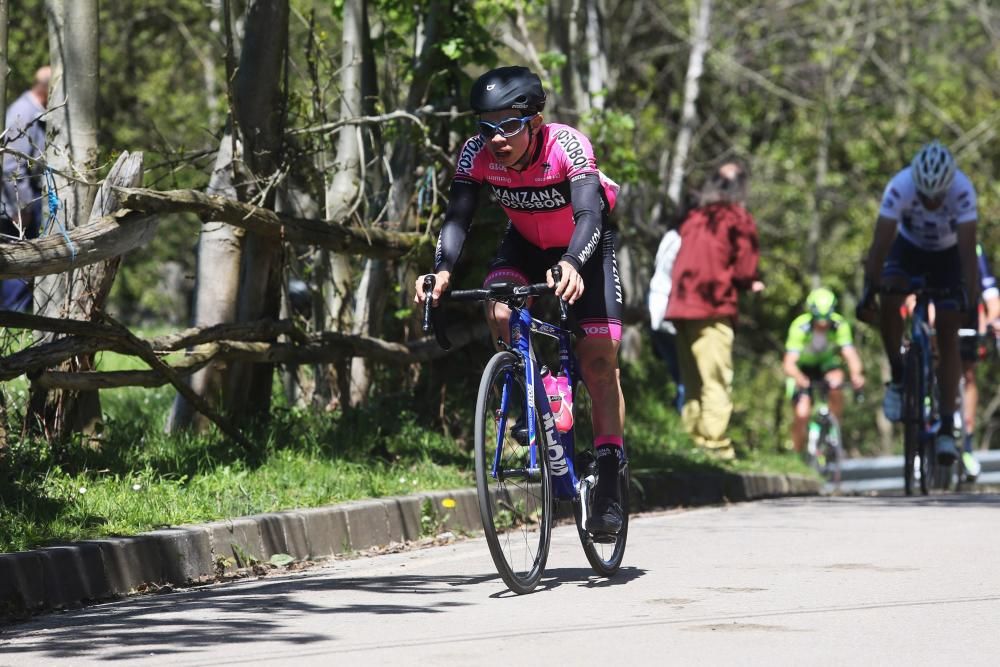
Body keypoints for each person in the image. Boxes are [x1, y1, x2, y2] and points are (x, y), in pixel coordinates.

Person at [413, 66, 625, 536]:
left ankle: (609, 475)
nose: (496, 139)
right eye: (487, 128)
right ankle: (537, 391)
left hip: (586, 244)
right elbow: (458, 217)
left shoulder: (566, 145)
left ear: (534, 121)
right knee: (500, 306)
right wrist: (442, 271)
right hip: (525, 242)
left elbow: (589, 212)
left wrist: (571, 261)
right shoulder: (477, 154)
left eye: (509, 125)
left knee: (597, 361)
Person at [861, 140, 979, 465]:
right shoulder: (899, 187)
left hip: (948, 256)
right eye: (925, 196)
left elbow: (969, 255)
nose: (931, 202)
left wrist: (971, 299)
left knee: (947, 330)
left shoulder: (963, 191)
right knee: (889, 296)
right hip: (908, 250)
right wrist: (869, 288)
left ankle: (945, 427)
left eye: (937, 196)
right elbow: (881, 243)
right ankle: (899, 377)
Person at [666, 162, 761, 460]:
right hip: (713, 308)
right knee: (716, 380)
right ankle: (715, 447)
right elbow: (746, 268)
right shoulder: (737, 218)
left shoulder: (694, 217)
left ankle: (693, 442)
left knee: (692, 380)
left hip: (680, 308)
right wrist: (750, 283)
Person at [782, 287, 865, 455]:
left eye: (826, 318)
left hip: (826, 365)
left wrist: (856, 374)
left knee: (837, 382)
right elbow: (789, 364)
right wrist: (800, 378)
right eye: (819, 319)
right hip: (802, 369)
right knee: (802, 413)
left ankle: (834, 427)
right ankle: (797, 455)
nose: (823, 323)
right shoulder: (800, 327)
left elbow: (850, 354)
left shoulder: (839, 325)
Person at [1, 65, 51, 311]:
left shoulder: (34, 113)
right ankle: (13, 319)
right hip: (16, 206)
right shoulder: (23, 114)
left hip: (25, 202)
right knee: (16, 264)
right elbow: (12, 165)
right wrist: (19, 206)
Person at [955, 243, 1000, 478]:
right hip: (937, 308)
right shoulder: (932, 243)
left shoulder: (975, 251)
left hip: (968, 315)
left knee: (968, 374)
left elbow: (992, 297)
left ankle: (968, 442)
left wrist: (992, 322)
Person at [648, 223, 684, 412]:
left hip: (656, 308)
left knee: (678, 373)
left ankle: (680, 415)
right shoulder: (683, 240)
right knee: (686, 374)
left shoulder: (669, 236)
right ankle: (686, 422)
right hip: (670, 313)